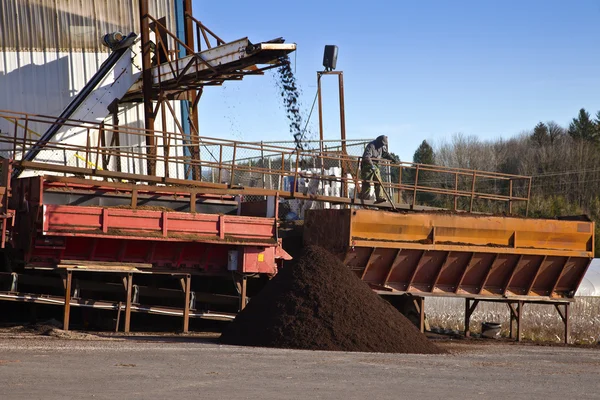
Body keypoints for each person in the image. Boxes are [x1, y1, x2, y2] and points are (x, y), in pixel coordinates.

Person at [360, 135, 395, 202]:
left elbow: (385, 154)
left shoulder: (381, 147)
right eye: (382, 144)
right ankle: (365, 199)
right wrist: (371, 165)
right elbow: (366, 156)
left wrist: (392, 159)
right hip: (367, 166)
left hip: (376, 166)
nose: (382, 145)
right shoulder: (371, 145)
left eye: (383, 144)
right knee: (367, 183)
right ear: (379, 141)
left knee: (378, 182)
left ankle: (379, 197)